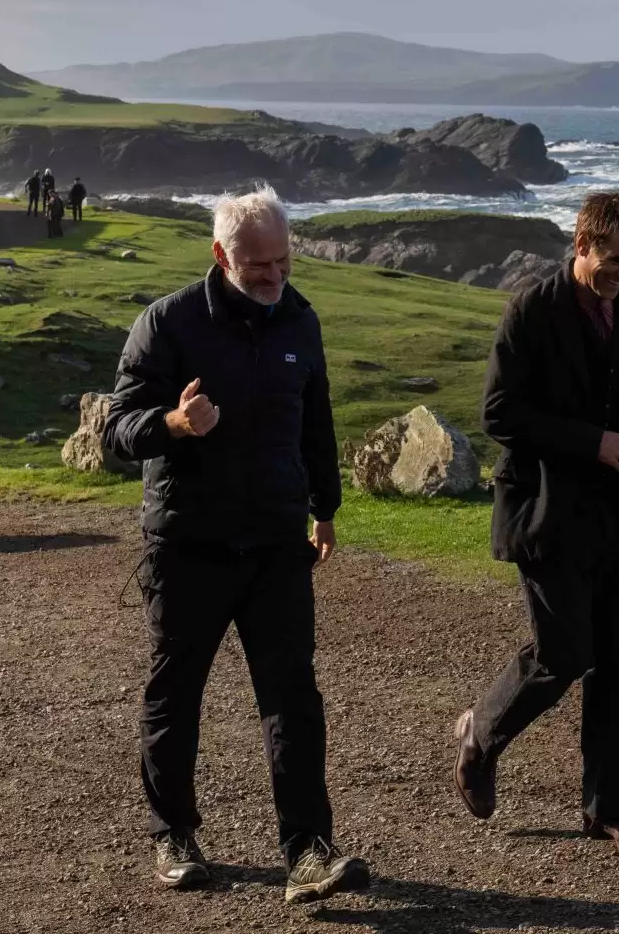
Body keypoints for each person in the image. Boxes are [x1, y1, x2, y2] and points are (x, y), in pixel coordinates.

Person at [101, 190, 366, 903]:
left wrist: (326, 509)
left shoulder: (300, 319)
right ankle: (173, 833)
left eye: (283, 260)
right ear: (220, 256)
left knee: (293, 699)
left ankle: (309, 850)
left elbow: (315, 418)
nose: (274, 276)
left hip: (278, 540)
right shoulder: (169, 322)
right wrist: (175, 423)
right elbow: (116, 429)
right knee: (176, 693)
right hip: (188, 542)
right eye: (257, 266)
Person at [454, 191, 619, 852]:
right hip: (546, 512)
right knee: (564, 653)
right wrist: (594, 442)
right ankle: (480, 735)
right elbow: (500, 414)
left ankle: (610, 807)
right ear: (582, 244)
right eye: (615, 259)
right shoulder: (531, 310)